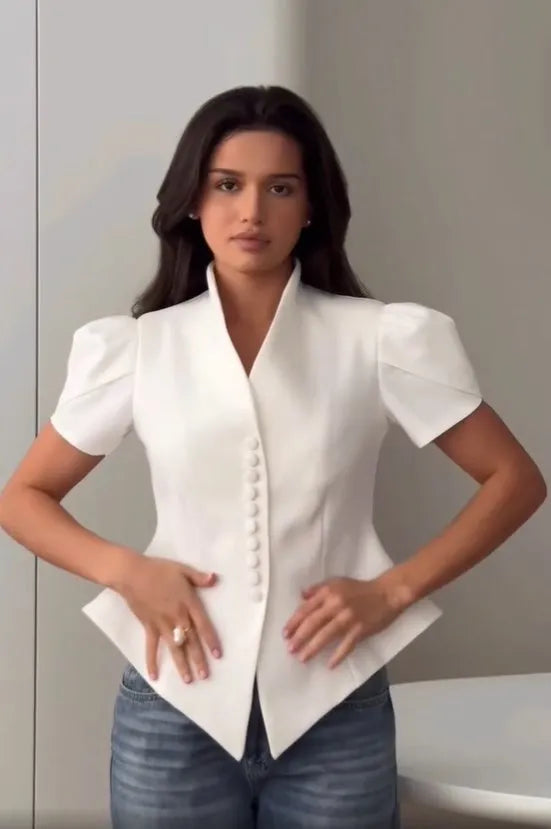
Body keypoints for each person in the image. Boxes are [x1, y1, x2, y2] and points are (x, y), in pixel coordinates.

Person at [0, 85, 546, 829]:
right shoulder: (135, 349)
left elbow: (514, 479)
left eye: (279, 187)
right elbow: (23, 497)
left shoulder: (382, 338)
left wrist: (392, 591)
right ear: (192, 199)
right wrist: (127, 571)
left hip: (334, 709)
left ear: (311, 205)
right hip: (172, 705)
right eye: (227, 184)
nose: (250, 211)